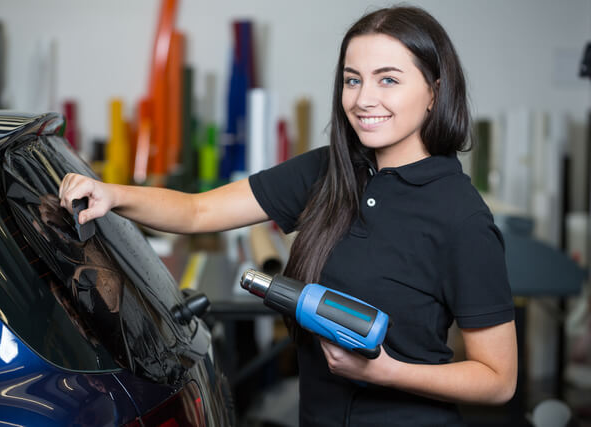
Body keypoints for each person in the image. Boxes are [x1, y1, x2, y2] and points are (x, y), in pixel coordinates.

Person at [59, 6, 517, 426]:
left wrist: (388, 372)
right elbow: (198, 210)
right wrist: (111, 193)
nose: (363, 99)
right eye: (352, 79)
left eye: (389, 80)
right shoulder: (330, 171)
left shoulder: (460, 214)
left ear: (434, 91)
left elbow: (498, 379)